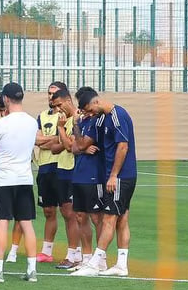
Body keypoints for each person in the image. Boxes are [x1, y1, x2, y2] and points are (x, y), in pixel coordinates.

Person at [73, 88, 137, 277]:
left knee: (109, 219)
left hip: (121, 176)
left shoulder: (118, 116)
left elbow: (123, 146)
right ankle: (121, 265)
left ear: (96, 102)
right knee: (122, 219)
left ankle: (94, 264)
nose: (90, 114)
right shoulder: (101, 119)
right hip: (116, 175)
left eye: (90, 110)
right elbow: (84, 143)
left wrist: (113, 175)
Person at [0, 83, 39, 283]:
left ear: (6, 99)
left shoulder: (1, 124)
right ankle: (32, 270)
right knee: (27, 225)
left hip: (5, 179)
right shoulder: (32, 122)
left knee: (2, 224)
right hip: (25, 179)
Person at [63, 86, 105, 271]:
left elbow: (79, 144)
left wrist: (81, 146)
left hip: (94, 175)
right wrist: (82, 146)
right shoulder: (83, 122)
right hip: (79, 174)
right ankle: (87, 259)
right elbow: (73, 148)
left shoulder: (98, 121)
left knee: (97, 217)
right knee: (80, 216)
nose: (83, 111)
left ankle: (100, 259)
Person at [31, 81, 71, 264]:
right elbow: (37, 140)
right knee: (48, 211)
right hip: (45, 167)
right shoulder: (42, 116)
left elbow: (64, 142)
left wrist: (49, 141)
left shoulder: (67, 117)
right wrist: (55, 139)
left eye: (54, 93)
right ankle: (47, 252)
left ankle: (73, 252)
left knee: (68, 211)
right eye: (49, 93)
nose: (51, 97)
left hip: (62, 167)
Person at [49, 88, 89, 269]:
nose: (58, 109)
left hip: (73, 169)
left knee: (75, 214)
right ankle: (75, 253)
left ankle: (75, 255)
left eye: (59, 105)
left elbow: (68, 145)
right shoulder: (65, 119)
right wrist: (63, 140)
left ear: (67, 100)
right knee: (67, 213)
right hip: (62, 168)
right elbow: (56, 147)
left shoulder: (76, 118)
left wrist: (60, 130)